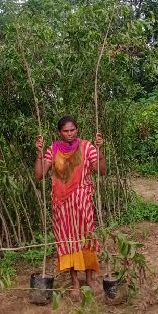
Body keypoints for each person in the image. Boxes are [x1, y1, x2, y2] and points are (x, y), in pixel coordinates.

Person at [34, 116, 106, 300]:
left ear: (77, 130)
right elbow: (40, 175)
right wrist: (39, 153)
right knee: (67, 242)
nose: (70, 133)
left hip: (82, 202)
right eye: (66, 131)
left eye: (73, 130)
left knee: (87, 239)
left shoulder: (87, 147)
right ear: (60, 132)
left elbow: (102, 170)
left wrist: (100, 150)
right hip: (62, 206)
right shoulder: (53, 150)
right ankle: (74, 282)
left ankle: (89, 279)